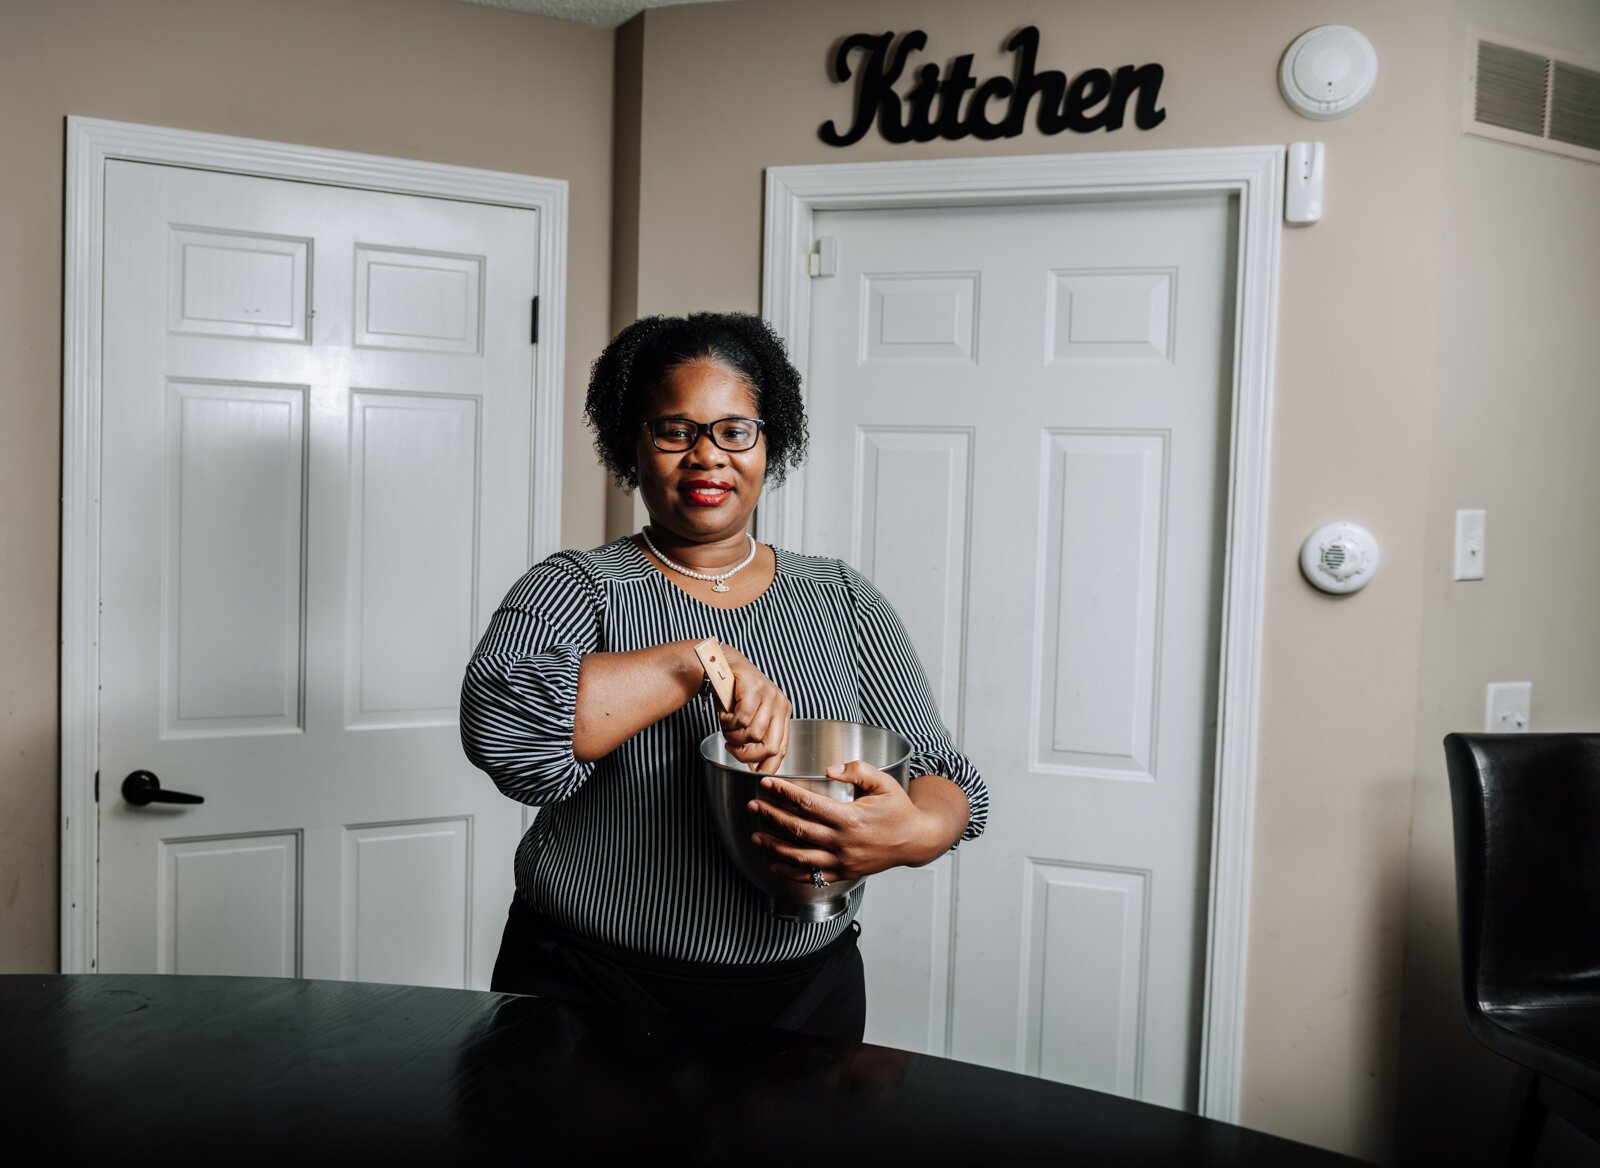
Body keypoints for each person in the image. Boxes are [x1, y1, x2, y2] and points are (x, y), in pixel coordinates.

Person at [460, 310, 987, 1041]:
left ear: (771, 443)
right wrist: (693, 660)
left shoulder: (839, 596)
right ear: (630, 445)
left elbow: (939, 773)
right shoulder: (578, 588)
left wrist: (915, 832)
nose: (707, 456)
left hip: (804, 996)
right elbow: (504, 730)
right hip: (591, 993)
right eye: (673, 430)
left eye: (734, 430)